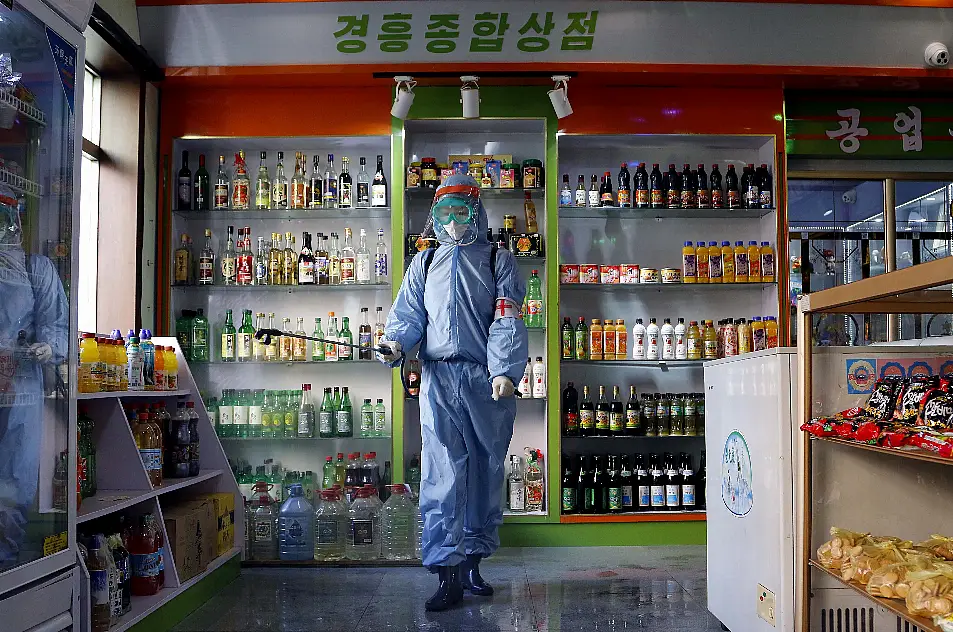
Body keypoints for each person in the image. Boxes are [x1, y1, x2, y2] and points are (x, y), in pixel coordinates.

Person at [377, 173, 528, 611]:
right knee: (442, 473)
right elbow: (407, 316)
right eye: (444, 211)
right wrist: (395, 344)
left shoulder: (498, 259)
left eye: (461, 210)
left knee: (485, 470)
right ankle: (446, 573)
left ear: (476, 211)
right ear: (434, 215)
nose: (453, 220)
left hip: (486, 381)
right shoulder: (424, 264)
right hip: (439, 378)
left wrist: (504, 368)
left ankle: (473, 566)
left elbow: (507, 318)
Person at [0, 195, 68, 568]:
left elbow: (57, 324)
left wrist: (47, 347)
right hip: (18, 381)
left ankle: (5, 562)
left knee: (14, 477)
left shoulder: (34, 269)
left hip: (21, 384)